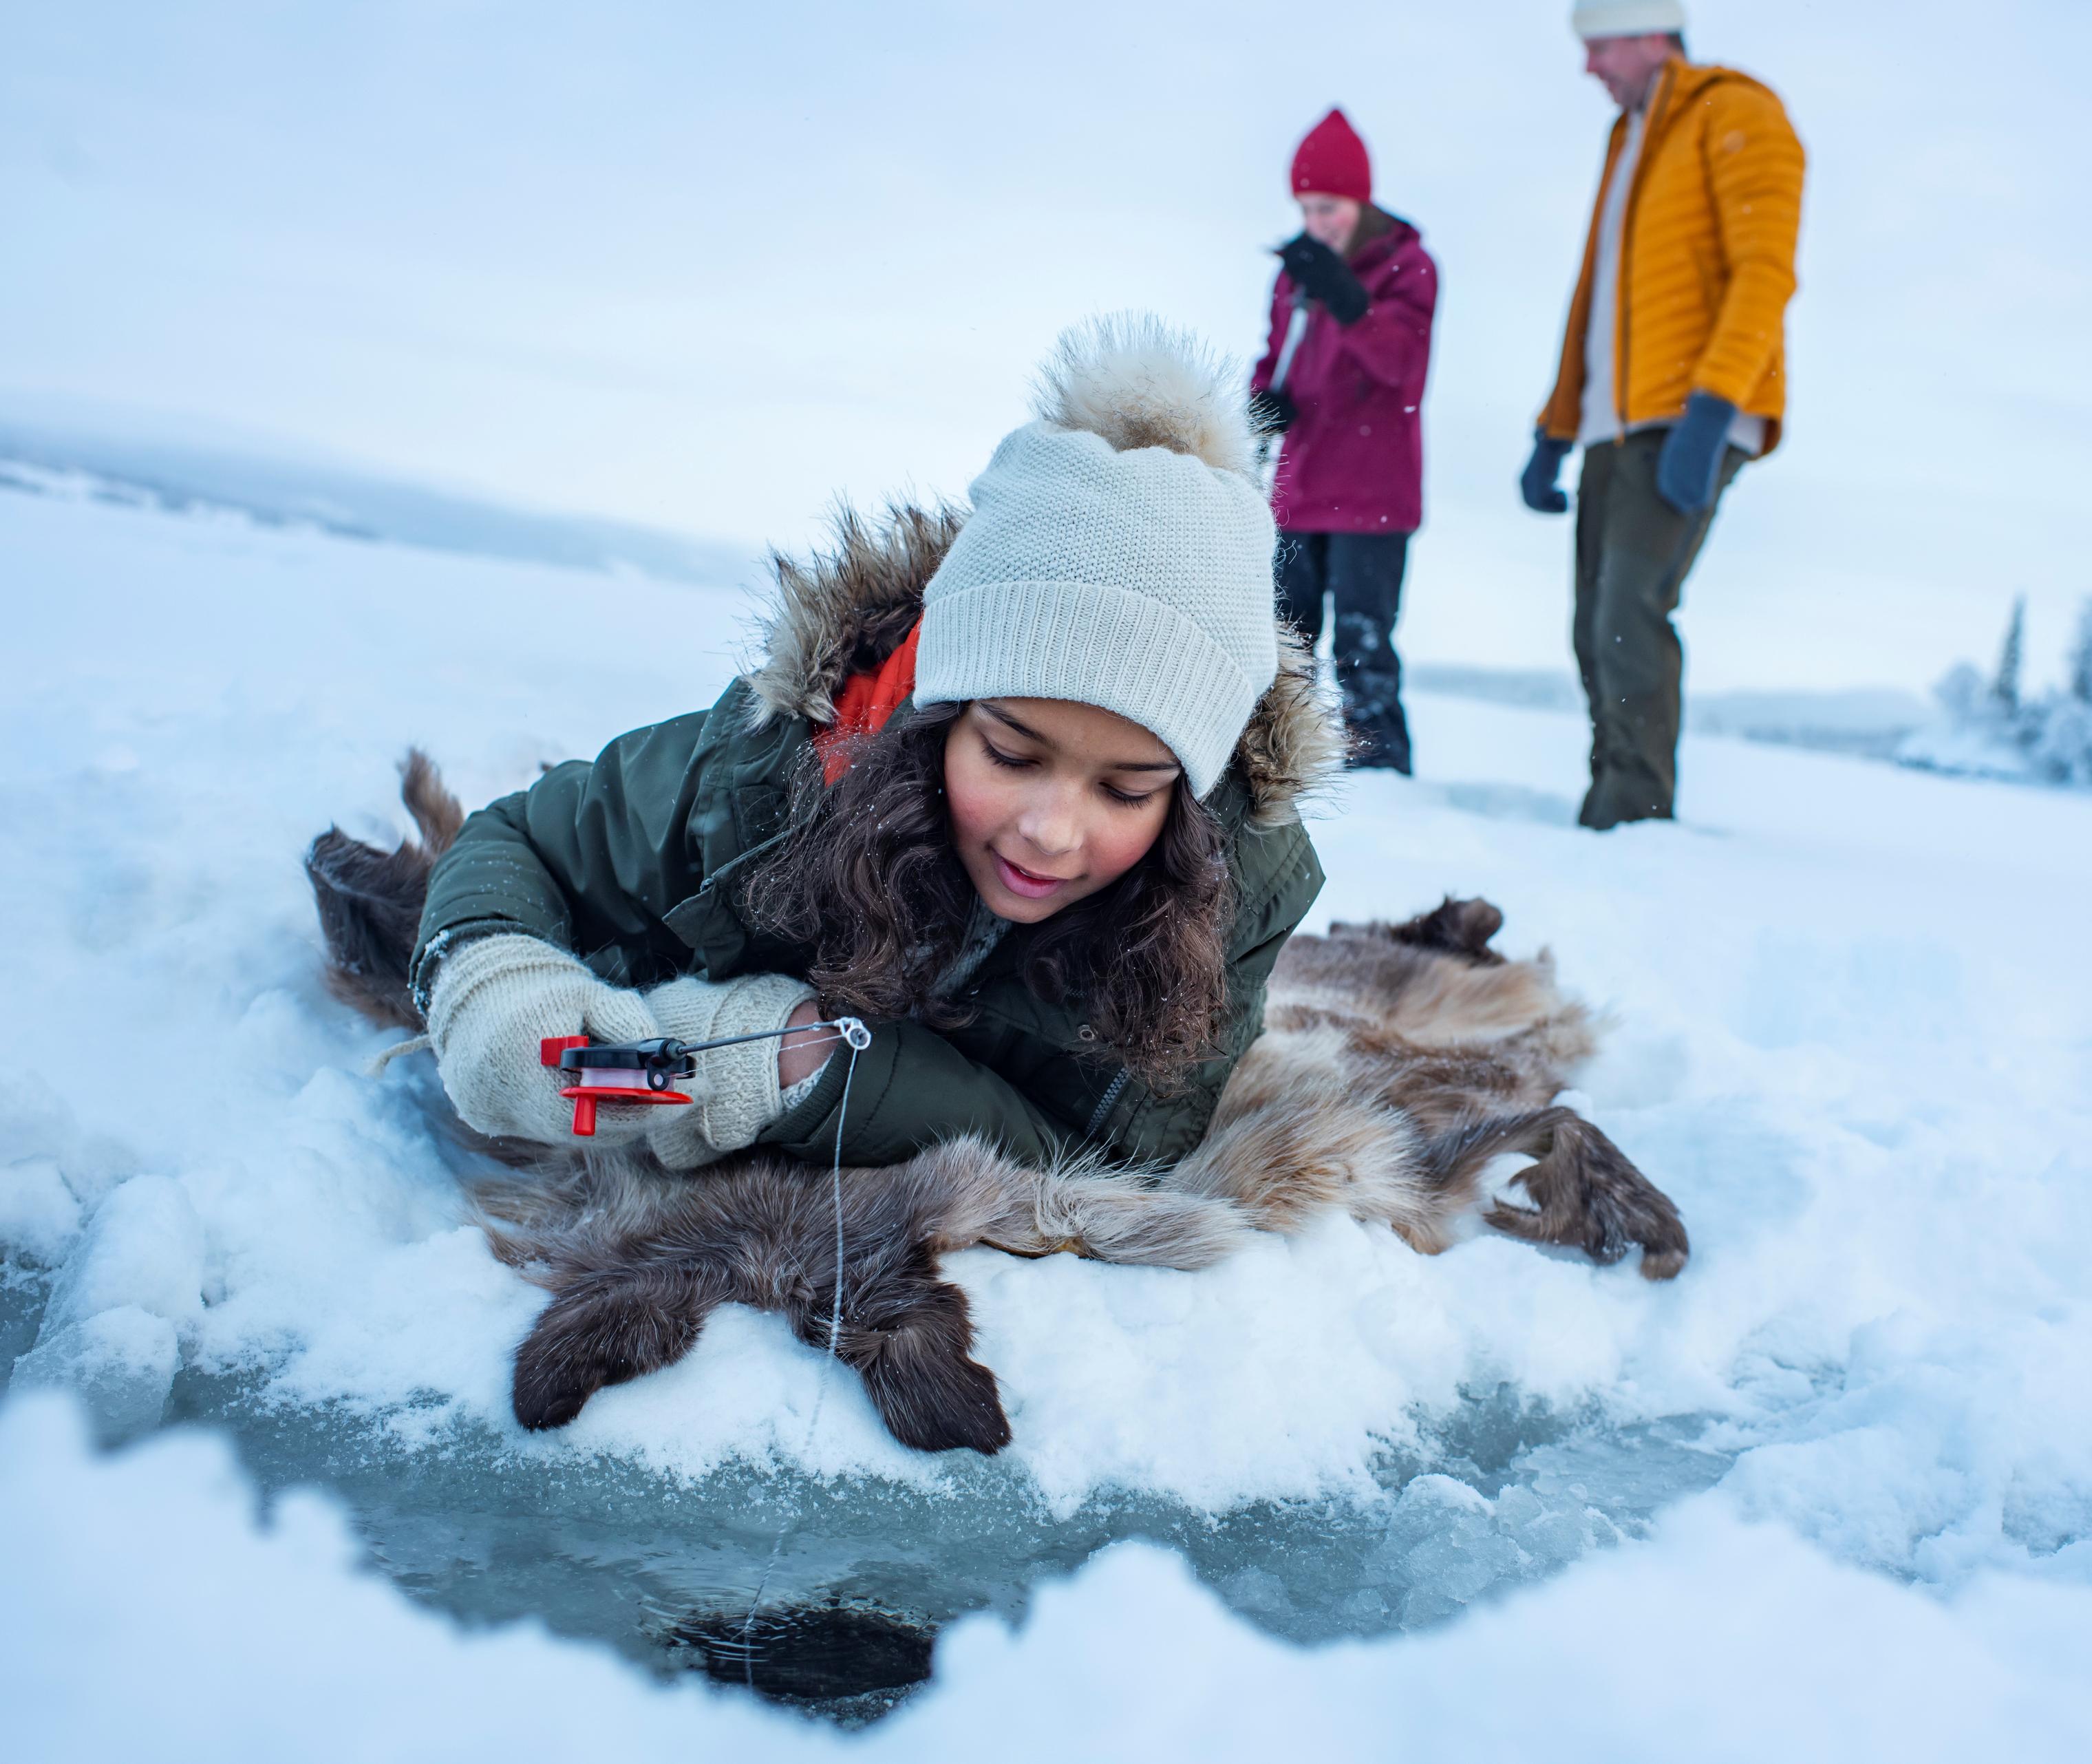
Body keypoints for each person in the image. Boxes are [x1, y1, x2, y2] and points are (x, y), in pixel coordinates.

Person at [407, 316, 1340, 1173]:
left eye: (1127, 790)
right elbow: (523, 841)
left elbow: (1115, 1153)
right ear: (934, 711)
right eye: (1012, 755)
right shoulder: (785, 763)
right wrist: (492, 978)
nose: (1052, 831)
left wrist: (799, 1058)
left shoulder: (1240, 882)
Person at [1519, 2, 1805, 828]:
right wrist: (1556, 427)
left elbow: (1765, 270)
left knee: (1627, 614)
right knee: (1591, 624)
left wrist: (1711, 412)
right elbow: (1592, 298)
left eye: (1599, 45)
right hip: (1617, 419)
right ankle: (1611, 801)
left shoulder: (1735, 108)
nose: (1589, 67)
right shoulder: (1629, 137)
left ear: (1651, 30)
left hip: (1688, 415)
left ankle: (1632, 817)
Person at [1250, 107, 1439, 774]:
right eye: (1305, 208)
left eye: (1328, 207)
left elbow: (1401, 366)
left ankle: (1381, 778)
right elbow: (1277, 358)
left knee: (1362, 644)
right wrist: (1262, 403)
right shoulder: (1295, 276)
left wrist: (1347, 297)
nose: (1316, 223)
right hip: (1300, 489)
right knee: (1283, 646)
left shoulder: (1408, 267)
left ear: (1358, 201)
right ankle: (1273, 769)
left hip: (1373, 494)